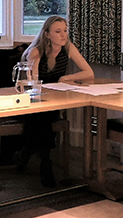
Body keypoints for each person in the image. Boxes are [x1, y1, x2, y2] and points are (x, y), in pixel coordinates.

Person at [18, 16, 94, 187]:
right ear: (47, 35)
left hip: (54, 99)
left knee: (44, 118)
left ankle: (27, 153)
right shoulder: (36, 52)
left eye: (65, 31)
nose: (63, 35)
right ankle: (46, 163)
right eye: (58, 32)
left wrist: (65, 77)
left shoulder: (68, 48)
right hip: (33, 101)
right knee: (42, 118)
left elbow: (89, 73)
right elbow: (32, 83)